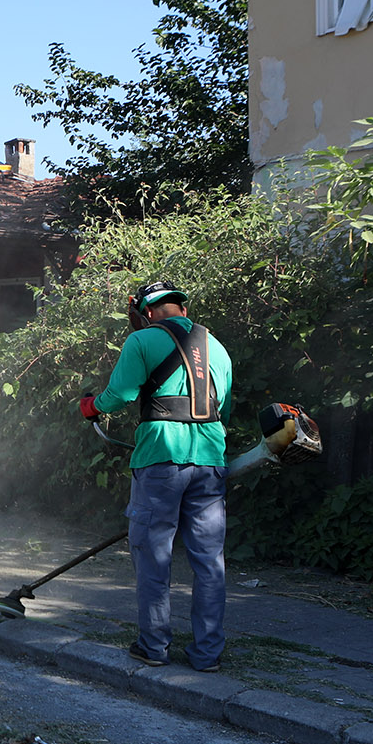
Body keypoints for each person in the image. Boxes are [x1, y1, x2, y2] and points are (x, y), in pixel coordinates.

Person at [81, 280, 235, 673]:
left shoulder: (142, 341)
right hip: (210, 462)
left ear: (146, 313)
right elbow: (225, 410)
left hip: (161, 460)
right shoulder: (217, 348)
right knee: (209, 560)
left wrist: (91, 407)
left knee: (154, 555)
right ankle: (207, 655)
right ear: (181, 309)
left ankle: (154, 646)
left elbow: (121, 394)